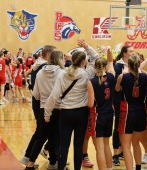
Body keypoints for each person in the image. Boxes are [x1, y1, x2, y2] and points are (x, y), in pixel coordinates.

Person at [44, 39, 99, 170]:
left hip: (65, 113)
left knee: (63, 144)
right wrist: (86, 46)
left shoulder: (63, 74)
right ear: (84, 61)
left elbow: (54, 96)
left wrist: (47, 113)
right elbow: (96, 58)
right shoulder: (86, 73)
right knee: (78, 145)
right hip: (81, 113)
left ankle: (61, 167)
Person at [25, 50, 65, 170]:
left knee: (41, 137)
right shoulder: (63, 72)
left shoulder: (40, 72)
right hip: (58, 108)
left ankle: (31, 163)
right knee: (55, 137)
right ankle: (53, 163)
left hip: (43, 108)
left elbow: (36, 95)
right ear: (59, 59)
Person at [20, 45, 56, 168]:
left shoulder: (38, 65)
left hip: (39, 101)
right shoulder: (44, 67)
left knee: (43, 131)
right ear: (49, 55)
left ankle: (29, 157)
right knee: (44, 132)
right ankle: (50, 159)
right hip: (43, 102)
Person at [116, 55, 147, 170]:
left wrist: (124, 73)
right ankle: (138, 167)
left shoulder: (122, 76)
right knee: (136, 143)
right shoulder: (146, 76)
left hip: (127, 112)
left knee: (125, 146)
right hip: (141, 112)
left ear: (128, 65)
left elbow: (117, 89)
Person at [86, 47, 115, 170]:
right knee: (107, 145)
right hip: (110, 115)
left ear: (94, 67)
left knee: (99, 148)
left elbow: (90, 103)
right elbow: (111, 62)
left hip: (98, 116)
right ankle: (109, 168)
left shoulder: (91, 82)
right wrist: (109, 51)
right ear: (105, 67)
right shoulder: (112, 76)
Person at [112, 45, 134, 166]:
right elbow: (117, 85)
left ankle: (121, 151)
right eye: (130, 51)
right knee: (118, 126)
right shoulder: (118, 66)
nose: (132, 53)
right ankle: (115, 153)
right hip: (120, 100)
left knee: (127, 128)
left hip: (132, 101)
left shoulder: (134, 65)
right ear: (124, 53)